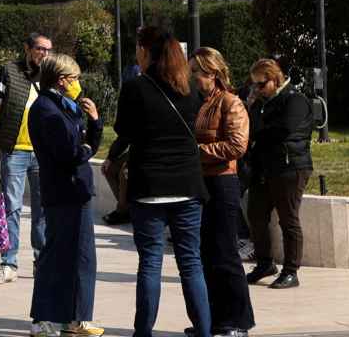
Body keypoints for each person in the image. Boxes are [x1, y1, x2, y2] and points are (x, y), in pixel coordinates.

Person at [105, 25, 210, 337]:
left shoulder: (135, 88)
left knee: (150, 262)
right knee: (191, 262)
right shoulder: (190, 86)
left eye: (138, 48)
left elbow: (125, 130)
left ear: (145, 51)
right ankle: (204, 330)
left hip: (149, 184)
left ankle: (144, 332)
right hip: (187, 186)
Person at [27, 54, 105, 337]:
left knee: (83, 256)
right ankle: (43, 318)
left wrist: (93, 123)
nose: (77, 84)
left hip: (77, 190)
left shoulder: (63, 106)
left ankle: (79, 316)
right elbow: (72, 153)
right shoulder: (46, 109)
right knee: (57, 256)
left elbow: (80, 143)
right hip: (62, 191)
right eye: (74, 79)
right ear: (61, 80)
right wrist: (89, 144)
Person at [0, 32, 53, 284]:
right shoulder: (8, 72)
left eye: (48, 50)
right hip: (14, 150)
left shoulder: (50, 76)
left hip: (43, 152)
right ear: (27, 48)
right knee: (12, 207)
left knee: (43, 211)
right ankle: (8, 263)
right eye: (40, 48)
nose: (44, 54)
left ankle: (42, 263)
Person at [193, 47, 254, 337]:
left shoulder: (230, 103)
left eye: (197, 72)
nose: (192, 77)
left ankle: (238, 322)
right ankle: (215, 320)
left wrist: (197, 152)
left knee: (226, 254)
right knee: (207, 254)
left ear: (213, 73)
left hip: (223, 183)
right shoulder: (202, 103)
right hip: (203, 183)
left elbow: (237, 145)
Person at [243, 57, 313, 290]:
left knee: (288, 219)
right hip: (265, 167)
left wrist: (260, 128)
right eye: (254, 85)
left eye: (260, 84)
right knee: (256, 215)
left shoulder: (295, 99)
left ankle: (291, 271)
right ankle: (264, 263)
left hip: (289, 166)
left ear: (274, 80)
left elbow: (283, 130)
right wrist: (252, 107)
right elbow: (251, 130)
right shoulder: (261, 102)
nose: (256, 89)